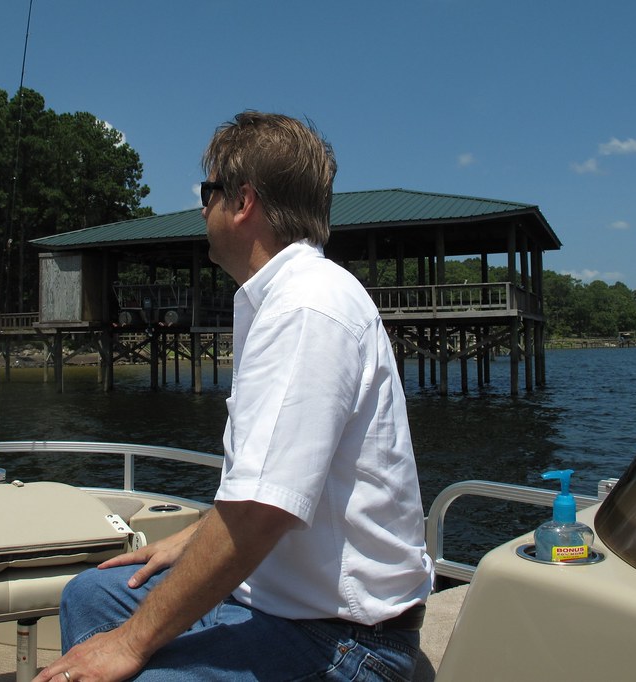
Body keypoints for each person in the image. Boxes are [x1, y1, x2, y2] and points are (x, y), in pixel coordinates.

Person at [35, 111, 432, 682]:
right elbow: (275, 486)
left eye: (208, 192)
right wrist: (194, 537)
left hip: (345, 639)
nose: (202, 208)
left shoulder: (305, 309)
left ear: (242, 202)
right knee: (90, 595)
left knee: (124, 659)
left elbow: (259, 516)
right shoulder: (275, 300)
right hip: (276, 601)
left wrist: (129, 645)